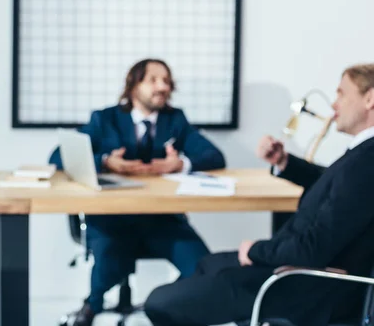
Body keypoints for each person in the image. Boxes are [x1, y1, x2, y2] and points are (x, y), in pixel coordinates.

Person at [144, 63, 374, 326]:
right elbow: (335, 186)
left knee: (160, 303)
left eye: (342, 93)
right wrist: (285, 162)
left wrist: (256, 251)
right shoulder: (362, 156)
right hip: (296, 269)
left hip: (305, 286)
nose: (334, 104)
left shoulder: (367, 162)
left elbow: (313, 248)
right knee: (207, 264)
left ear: (370, 99)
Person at [49, 58, 225, 326]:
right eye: (153, 80)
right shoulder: (105, 119)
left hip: (161, 220)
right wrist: (106, 161)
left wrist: (180, 163)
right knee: (109, 260)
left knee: (203, 267)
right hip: (112, 219)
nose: (162, 86)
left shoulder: (175, 121)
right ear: (133, 86)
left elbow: (214, 156)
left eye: (166, 81)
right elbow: (58, 155)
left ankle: (163, 304)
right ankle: (91, 306)